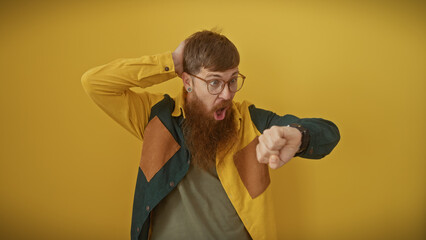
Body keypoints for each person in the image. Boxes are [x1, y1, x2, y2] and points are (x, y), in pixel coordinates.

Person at [81, 30, 340, 240]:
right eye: (214, 82)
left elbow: (328, 133)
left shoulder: (252, 122)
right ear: (188, 81)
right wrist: (171, 61)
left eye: (233, 80)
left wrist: (298, 136)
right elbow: (95, 83)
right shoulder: (156, 118)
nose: (227, 94)